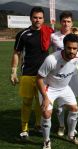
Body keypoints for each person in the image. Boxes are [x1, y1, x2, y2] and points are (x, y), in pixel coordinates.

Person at [10, 6, 53, 139]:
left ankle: (38, 125)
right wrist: (13, 72)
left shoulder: (49, 32)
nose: (37, 20)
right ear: (30, 18)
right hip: (28, 73)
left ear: (43, 19)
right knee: (27, 102)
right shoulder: (23, 34)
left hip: (44, 75)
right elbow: (17, 53)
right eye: (35, 17)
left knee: (41, 103)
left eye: (40, 18)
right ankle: (24, 128)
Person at [37, 34, 78, 149]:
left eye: (74, 48)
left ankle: (71, 135)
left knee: (74, 108)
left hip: (64, 88)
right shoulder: (51, 60)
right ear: (64, 47)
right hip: (49, 88)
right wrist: (45, 97)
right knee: (47, 113)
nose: (72, 51)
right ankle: (46, 141)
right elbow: (39, 78)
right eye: (69, 48)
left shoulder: (77, 57)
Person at [50, 11, 78, 137]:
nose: (66, 24)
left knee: (72, 102)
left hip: (73, 74)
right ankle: (61, 125)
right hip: (58, 75)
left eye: (69, 21)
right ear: (60, 22)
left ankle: (71, 127)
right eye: (64, 21)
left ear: (72, 23)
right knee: (60, 105)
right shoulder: (54, 36)